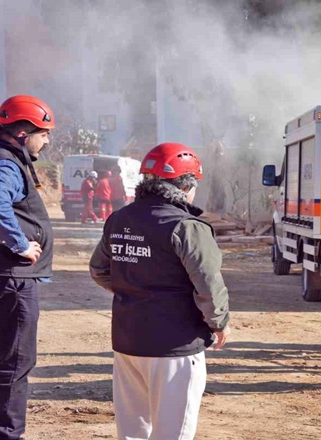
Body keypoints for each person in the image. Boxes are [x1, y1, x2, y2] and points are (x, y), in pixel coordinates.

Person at [89, 143, 231, 439]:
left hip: (128, 342)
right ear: (185, 186)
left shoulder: (120, 219)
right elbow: (208, 282)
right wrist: (219, 323)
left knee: (133, 432)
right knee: (173, 433)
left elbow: (100, 270)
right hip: (174, 347)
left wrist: (135, 291)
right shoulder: (187, 227)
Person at [0, 95, 55, 440]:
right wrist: (18, 244)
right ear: (21, 133)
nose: (45, 141)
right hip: (12, 281)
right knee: (13, 365)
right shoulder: (5, 164)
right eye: (43, 134)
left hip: (3, 277)